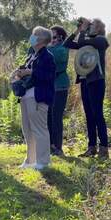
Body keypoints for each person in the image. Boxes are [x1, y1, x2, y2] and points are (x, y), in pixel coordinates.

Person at [63, 18, 110, 159]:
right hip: (85, 81)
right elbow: (67, 43)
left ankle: (104, 148)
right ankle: (91, 147)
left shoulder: (101, 40)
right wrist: (78, 30)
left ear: (99, 28)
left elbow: (83, 42)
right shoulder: (87, 40)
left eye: (92, 25)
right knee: (89, 115)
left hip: (96, 81)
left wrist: (83, 30)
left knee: (97, 114)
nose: (89, 27)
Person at [15, 26, 56, 170]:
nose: (31, 36)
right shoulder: (31, 55)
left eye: (35, 34)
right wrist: (21, 73)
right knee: (27, 129)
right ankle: (30, 160)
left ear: (42, 39)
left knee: (39, 129)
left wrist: (30, 72)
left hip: (39, 97)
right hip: (26, 96)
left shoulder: (47, 56)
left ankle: (43, 162)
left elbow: (49, 76)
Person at [47, 26, 70, 156]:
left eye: (54, 37)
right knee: (48, 117)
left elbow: (53, 57)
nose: (52, 40)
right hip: (49, 86)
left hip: (60, 87)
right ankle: (50, 144)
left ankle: (58, 147)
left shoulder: (62, 49)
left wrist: (47, 46)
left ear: (61, 37)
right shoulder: (50, 48)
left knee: (56, 117)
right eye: (50, 37)